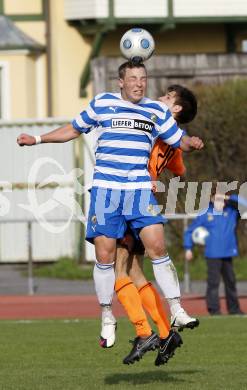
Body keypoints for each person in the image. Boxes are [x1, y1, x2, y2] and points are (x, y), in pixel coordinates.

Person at [17, 61, 203, 365]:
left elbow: (177, 141)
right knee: (111, 261)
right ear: (120, 82)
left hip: (139, 190)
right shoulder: (103, 102)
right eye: (133, 78)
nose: (139, 84)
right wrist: (37, 139)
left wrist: (189, 143)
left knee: (154, 249)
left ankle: (172, 312)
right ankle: (110, 316)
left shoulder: (155, 111)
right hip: (106, 189)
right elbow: (73, 129)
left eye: (143, 79)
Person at [104, 85, 200, 366]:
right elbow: (180, 169)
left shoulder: (157, 121)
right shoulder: (171, 136)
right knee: (133, 269)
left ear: (176, 108)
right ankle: (164, 331)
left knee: (121, 267)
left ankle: (148, 330)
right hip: (142, 198)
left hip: (129, 196)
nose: (159, 98)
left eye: (167, 97)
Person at [184, 189, 246, 315]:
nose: (220, 203)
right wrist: (188, 248)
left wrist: (228, 197)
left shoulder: (232, 212)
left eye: (222, 200)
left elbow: (244, 204)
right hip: (213, 254)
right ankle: (214, 310)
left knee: (231, 282)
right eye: (217, 199)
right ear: (211, 199)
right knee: (213, 283)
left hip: (228, 253)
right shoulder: (205, 213)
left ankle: (234, 309)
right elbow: (189, 231)